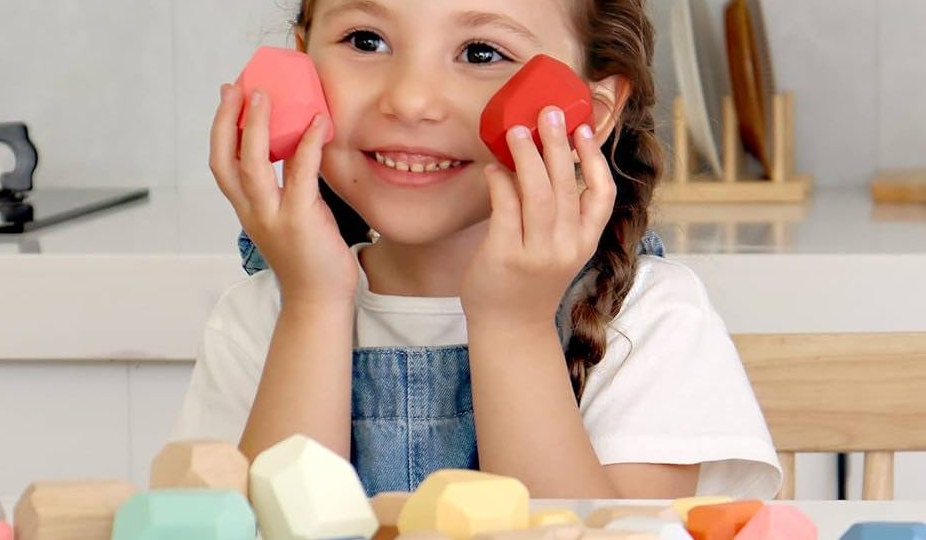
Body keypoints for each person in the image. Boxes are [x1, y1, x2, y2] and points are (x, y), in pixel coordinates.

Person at [173, 0, 782, 500]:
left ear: (588, 114)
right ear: (299, 65)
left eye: (481, 53)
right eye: (365, 41)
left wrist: (513, 323)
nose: (410, 100)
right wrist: (313, 302)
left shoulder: (649, 321)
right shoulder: (259, 319)